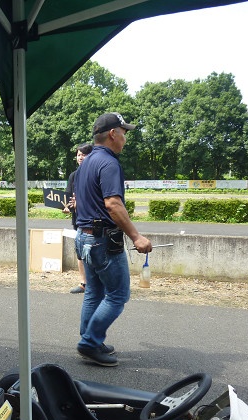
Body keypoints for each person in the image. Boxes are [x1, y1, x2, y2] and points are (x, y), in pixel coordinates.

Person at [73, 113, 152, 367]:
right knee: (118, 295)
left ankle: (90, 340)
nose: (125, 139)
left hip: (84, 236)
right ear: (112, 134)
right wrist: (136, 236)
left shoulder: (86, 163)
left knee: (94, 292)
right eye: (124, 133)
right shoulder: (109, 163)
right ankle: (89, 342)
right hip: (102, 241)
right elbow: (113, 204)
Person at [63, 143, 93, 294]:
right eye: (78, 154)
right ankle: (84, 283)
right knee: (80, 252)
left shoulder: (95, 173)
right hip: (78, 220)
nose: (80, 157)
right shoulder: (73, 176)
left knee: (94, 253)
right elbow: (68, 197)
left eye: (84, 154)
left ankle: (97, 285)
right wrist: (67, 207)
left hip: (93, 222)